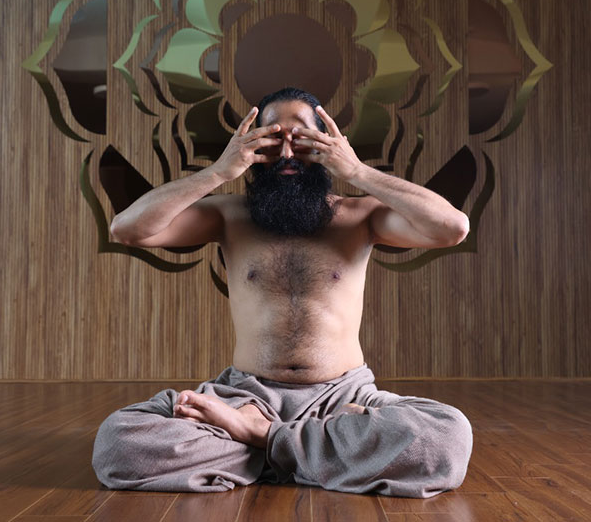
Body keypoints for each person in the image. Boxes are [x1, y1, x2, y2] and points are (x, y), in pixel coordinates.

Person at [92, 87, 474, 498]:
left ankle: (259, 441)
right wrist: (218, 172)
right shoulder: (229, 215)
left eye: (303, 140)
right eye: (273, 140)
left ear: (328, 143)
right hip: (246, 397)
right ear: (251, 146)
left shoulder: (360, 215)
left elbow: (452, 228)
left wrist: (359, 171)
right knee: (119, 443)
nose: (288, 154)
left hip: (343, 396)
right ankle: (315, 446)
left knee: (448, 437)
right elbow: (126, 229)